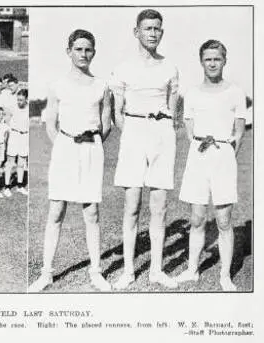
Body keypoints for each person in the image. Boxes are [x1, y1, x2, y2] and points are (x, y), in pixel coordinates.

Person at [29, 29, 112, 292]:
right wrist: (66, 146)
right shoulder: (57, 85)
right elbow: (51, 124)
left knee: (92, 212)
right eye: (78, 49)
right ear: (69, 52)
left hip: (91, 149)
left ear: (94, 53)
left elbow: (106, 124)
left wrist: (92, 143)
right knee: (56, 211)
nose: (83, 54)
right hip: (65, 148)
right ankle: (46, 273)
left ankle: (96, 271)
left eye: (88, 49)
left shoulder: (102, 86)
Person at [110, 9, 180, 290]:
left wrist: (162, 130)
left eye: (157, 29)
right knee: (132, 205)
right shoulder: (123, 67)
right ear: (136, 31)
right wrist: (133, 132)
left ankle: (156, 270)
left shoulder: (170, 68)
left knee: (159, 206)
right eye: (148, 28)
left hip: (162, 134)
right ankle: (128, 270)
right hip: (134, 133)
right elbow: (117, 112)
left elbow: (173, 110)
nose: (153, 33)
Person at [174, 40, 247, 292]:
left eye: (217, 58)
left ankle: (225, 276)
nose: (212, 63)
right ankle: (192, 270)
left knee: (224, 220)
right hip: (198, 155)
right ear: (201, 61)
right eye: (208, 59)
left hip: (223, 155)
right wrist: (201, 148)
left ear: (224, 60)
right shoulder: (192, 93)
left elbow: (239, 132)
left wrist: (225, 155)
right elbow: (189, 128)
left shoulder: (236, 92)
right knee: (196, 219)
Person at [4, 89, 30, 196]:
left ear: (26, 99)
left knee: (21, 162)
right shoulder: (13, 107)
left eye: (21, 100)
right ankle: (7, 187)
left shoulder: (29, 109)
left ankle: (19, 186)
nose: (19, 102)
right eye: (18, 99)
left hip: (25, 136)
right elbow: (7, 119)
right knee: (10, 162)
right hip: (14, 135)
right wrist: (13, 130)